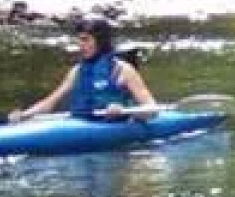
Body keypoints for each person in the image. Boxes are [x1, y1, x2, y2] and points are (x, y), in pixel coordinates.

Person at [9, 15, 156, 122]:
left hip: (116, 126)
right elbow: (50, 102)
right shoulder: (77, 71)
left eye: (85, 40)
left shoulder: (123, 70)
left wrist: (124, 111)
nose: (80, 45)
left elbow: (151, 109)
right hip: (81, 123)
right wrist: (24, 115)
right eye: (79, 39)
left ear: (101, 41)